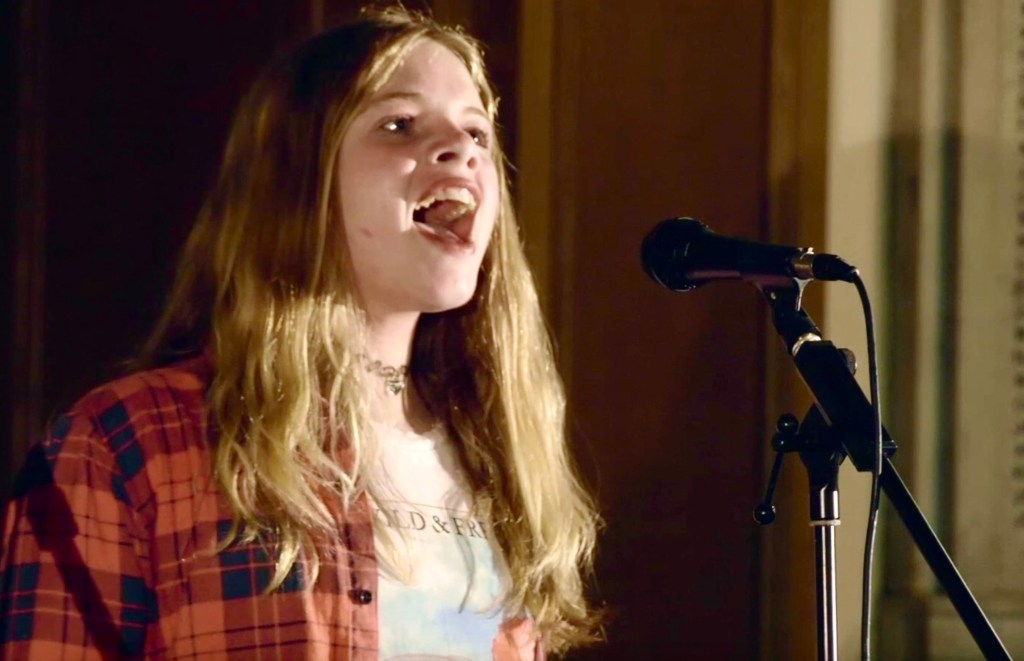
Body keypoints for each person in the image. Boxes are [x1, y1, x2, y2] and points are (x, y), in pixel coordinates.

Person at [0, 6, 601, 659]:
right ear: (296, 178)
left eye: (477, 131)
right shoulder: (129, 443)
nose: (462, 148)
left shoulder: (498, 455)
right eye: (399, 124)